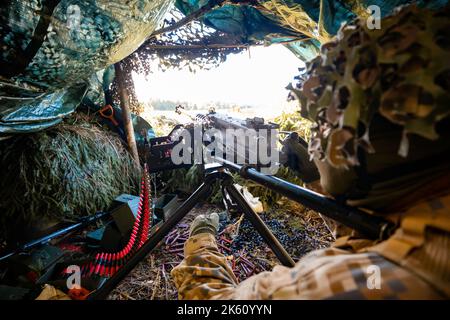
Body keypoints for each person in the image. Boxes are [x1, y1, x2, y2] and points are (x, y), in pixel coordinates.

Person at [170, 5, 450, 300]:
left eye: (323, 126)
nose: (315, 146)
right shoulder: (417, 218)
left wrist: (201, 241)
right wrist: (315, 180)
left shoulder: (347, 285)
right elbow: (369, 234)